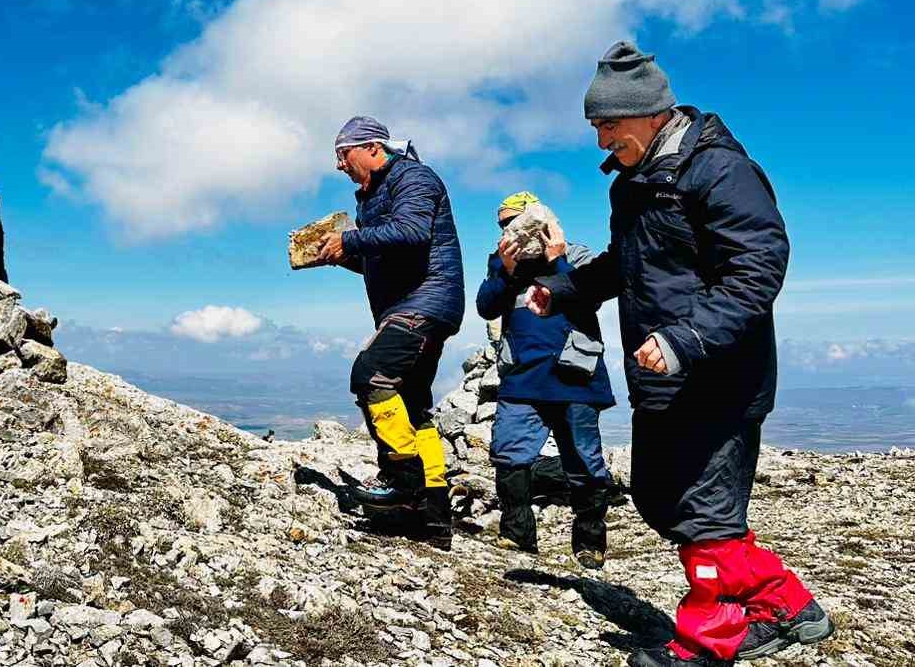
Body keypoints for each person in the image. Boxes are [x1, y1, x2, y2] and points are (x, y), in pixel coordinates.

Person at [528, 41, 831, 666]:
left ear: (648, 114)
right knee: (658, 498)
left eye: (607, 126)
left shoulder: (719, 170)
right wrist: (559, 291)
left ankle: (705, 641)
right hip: (661, 376)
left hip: (719, 375)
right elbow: (626, 268)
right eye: (596, 127)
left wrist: (685, 339)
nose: (600, 141)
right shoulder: (635, 186)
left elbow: (757, 266)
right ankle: (786, 602)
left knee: (704, 513)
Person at [316, 116, 464, 549]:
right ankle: (432, 514)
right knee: (413, 401)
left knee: (371, 376)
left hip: (425, 301)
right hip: (413, 304)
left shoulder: (413, 177)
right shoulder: (373, 193)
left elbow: (413, 232)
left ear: (372, 147)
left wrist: (353, 239)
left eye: (343, 155)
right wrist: (341, 254)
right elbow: (384, 254)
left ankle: (402, 478)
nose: (340, 165)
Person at [475, 192, 614, 569]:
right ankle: (517, 534)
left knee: (584, 460)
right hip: (522, 376)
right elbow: (486, 305)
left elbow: (588, 299)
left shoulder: (577, 255)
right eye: (502, 225)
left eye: (513, 222)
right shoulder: (502, 263)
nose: (507, 230)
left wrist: (558, 260)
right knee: (508, 453)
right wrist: (503, 271)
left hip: (575, 375)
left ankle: (590, 541)